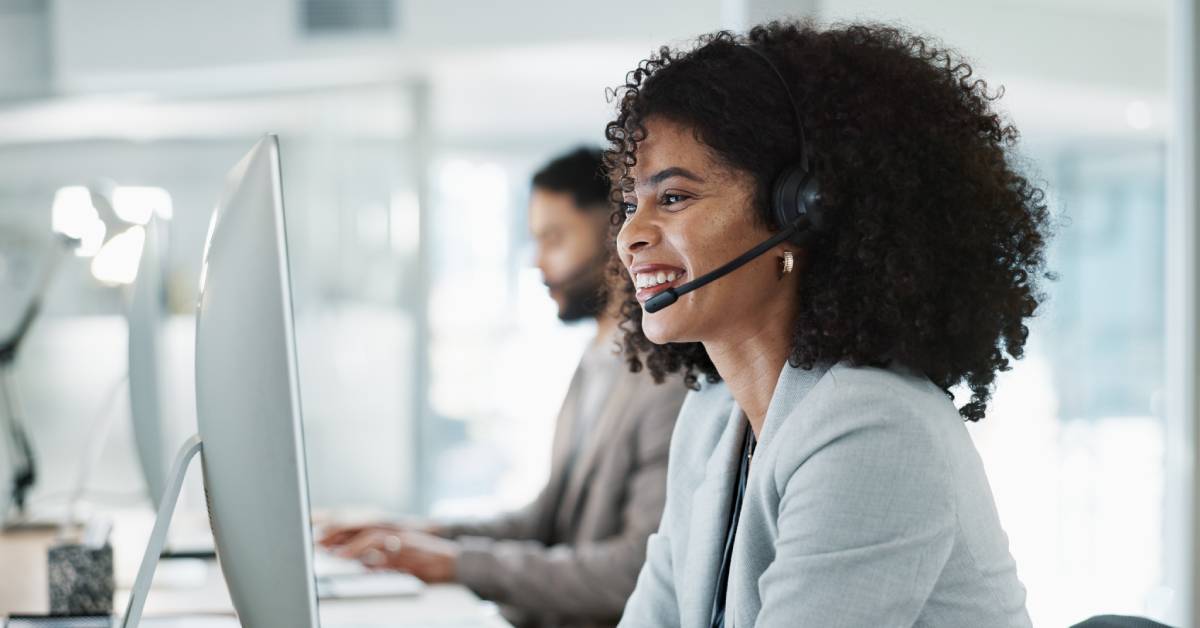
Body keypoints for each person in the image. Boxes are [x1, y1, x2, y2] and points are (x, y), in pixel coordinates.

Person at [607, 20, 1050, 627]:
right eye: (633, 204)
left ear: (802, 211)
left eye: (674, 198)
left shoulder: (874, 427)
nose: (631, 235)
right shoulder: (710, 418)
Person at [320, 147, 687, 628]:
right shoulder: (598, 360)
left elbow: (632, 570)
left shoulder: (668, 381)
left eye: (555, 239)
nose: (538, 263)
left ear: (614, 231)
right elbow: (547, 520)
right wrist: (415, 535)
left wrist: (453, 564)